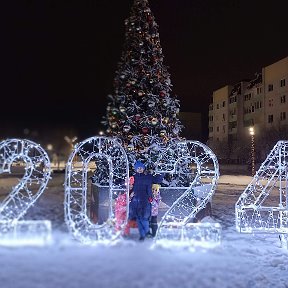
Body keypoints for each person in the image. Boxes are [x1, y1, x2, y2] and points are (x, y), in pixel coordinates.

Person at [129, 160, 163, 241]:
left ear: (143, 168)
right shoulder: (134, 178)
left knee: (144, 218)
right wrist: (130, 194)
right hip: (136, 201)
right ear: (135, 169)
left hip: (146, 200)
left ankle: (147, 232)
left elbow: (157, 180)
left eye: (141, 167)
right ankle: (142, 235)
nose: (140, 169)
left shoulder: (148, 177)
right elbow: (128, 185)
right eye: (138, 168)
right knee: (138, 219)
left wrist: (162, 171)